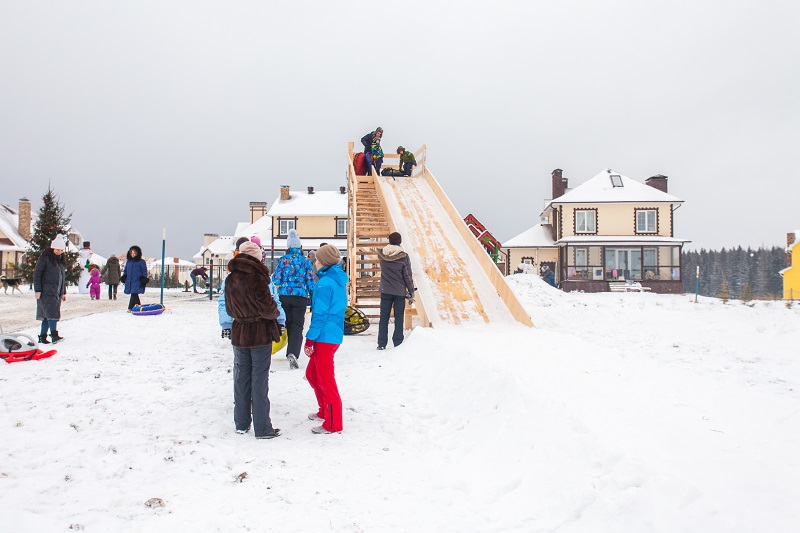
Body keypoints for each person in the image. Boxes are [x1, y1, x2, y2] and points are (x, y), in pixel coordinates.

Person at [225, 241, 282, 439]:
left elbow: (229, 309)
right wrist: (274, 311)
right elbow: (267, 308)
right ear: (256, 257)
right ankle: (263, 427)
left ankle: (241, 423)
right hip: (259, 333)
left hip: (240, 332)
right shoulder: (258, 278)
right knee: (259, 380)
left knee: (241, 379)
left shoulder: (231, 278)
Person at [303, 244, 347, 434]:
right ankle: (324, 410)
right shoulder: (338, 280)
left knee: (326, 380)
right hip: (333, 334)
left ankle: (333, 423)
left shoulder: (323, 284)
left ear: (322, 262)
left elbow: (319, 315)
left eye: (317, 260)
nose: (315, 263)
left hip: (324, 337)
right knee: (313, 375)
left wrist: (310, 339)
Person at [271, 229, 315, 370]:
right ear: (300, 247)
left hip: (284, 296)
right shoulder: (305, 261)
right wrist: (313, 294)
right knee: (297, 326)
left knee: (286, 323)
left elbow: (276, 279)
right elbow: (310, 280)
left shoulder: (283, 260)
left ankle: (282, 347)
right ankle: (293, 353)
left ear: (288, 247)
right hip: (300, 297)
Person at [377, 232, 415, 350]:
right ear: (400, 241)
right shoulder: (403, 256)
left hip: (385, 290)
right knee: (399, 317)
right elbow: (407, 275)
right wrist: (411, 290)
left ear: (389, 240)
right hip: (399, 291)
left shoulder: (382, 254)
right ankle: (398, 343)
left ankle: (381, 343)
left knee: (384, 317)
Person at [33, 234, 68, 344]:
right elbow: (37, 274)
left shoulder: (60, 261)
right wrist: (37, 290)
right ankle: (54, 335)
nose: (59, 252)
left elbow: (62, 278)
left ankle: (43, 337)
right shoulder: (45, 258)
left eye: (62, 250)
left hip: (56, 293)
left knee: (46, 315)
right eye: (58, 249)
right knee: (52, 314)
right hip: (45, 291)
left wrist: (63, 292)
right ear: (53, 248)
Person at [122, 245, 148, 312]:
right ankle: (138, 307)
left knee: (134, 293)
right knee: (134, 294)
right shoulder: (129, 262)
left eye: (134, 253)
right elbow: (126, 270)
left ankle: (131, 307)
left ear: (138, 253)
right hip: (130, 280)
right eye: (132, 253)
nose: (133, 255)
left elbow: (144, 270)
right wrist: (124, 276)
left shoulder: (141, 262)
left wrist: (143, 278)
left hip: (137, 280)